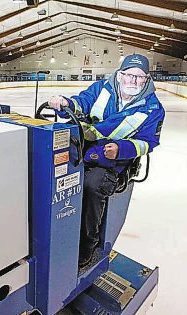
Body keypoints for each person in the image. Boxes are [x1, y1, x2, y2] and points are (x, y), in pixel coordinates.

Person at [48, 54, 165, 268]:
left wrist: (122, 149)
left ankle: (87, 244)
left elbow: (148, 142)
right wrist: (66, 103)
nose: (133, 81)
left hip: (116, 163)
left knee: (92, 185)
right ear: (120, 75)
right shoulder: (102, 88)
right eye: (129, 75)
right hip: (86, 147)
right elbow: (82, 103)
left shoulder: (153, 108)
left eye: (139, 77)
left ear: (147, 79)